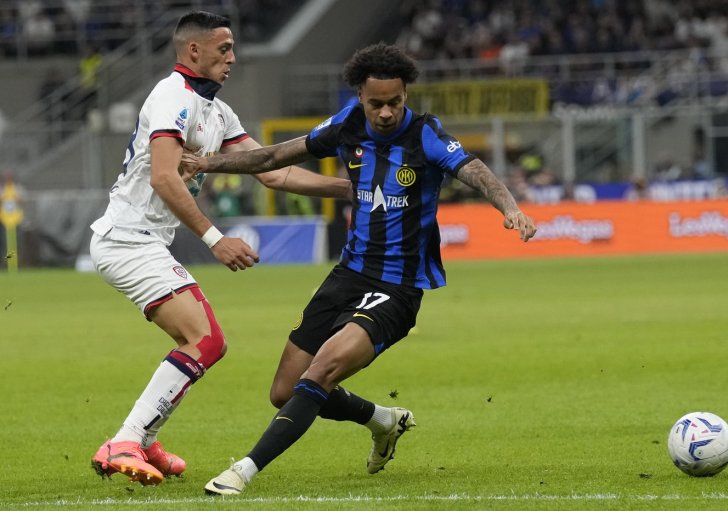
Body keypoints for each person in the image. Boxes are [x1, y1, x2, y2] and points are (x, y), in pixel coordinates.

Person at [181, 42, 537, 495]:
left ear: (405, 96)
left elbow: (476, 171)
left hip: (398, 288)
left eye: (395, 102)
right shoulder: (347, 124)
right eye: (376, 104)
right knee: (284, 391)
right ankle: (382, 420)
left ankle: (244, 471)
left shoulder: (426, 134)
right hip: (347, 275)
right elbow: (271, 158)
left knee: (322, 370)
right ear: (360, 97)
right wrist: (207, 162)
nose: (386, 113)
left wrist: (510, 208)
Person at [88, 11, 352, 486]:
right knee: (205, 340)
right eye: (224, 49)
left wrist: (351, 190)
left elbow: (272, 171)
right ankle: (127, 439)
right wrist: (215, 238)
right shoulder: (172, 96)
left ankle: (144, 438)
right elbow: (164, 177)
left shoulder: (217, 111)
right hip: (128, 240)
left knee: (206, 343)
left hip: (142, 242)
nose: (233, 58)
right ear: (194, 50)